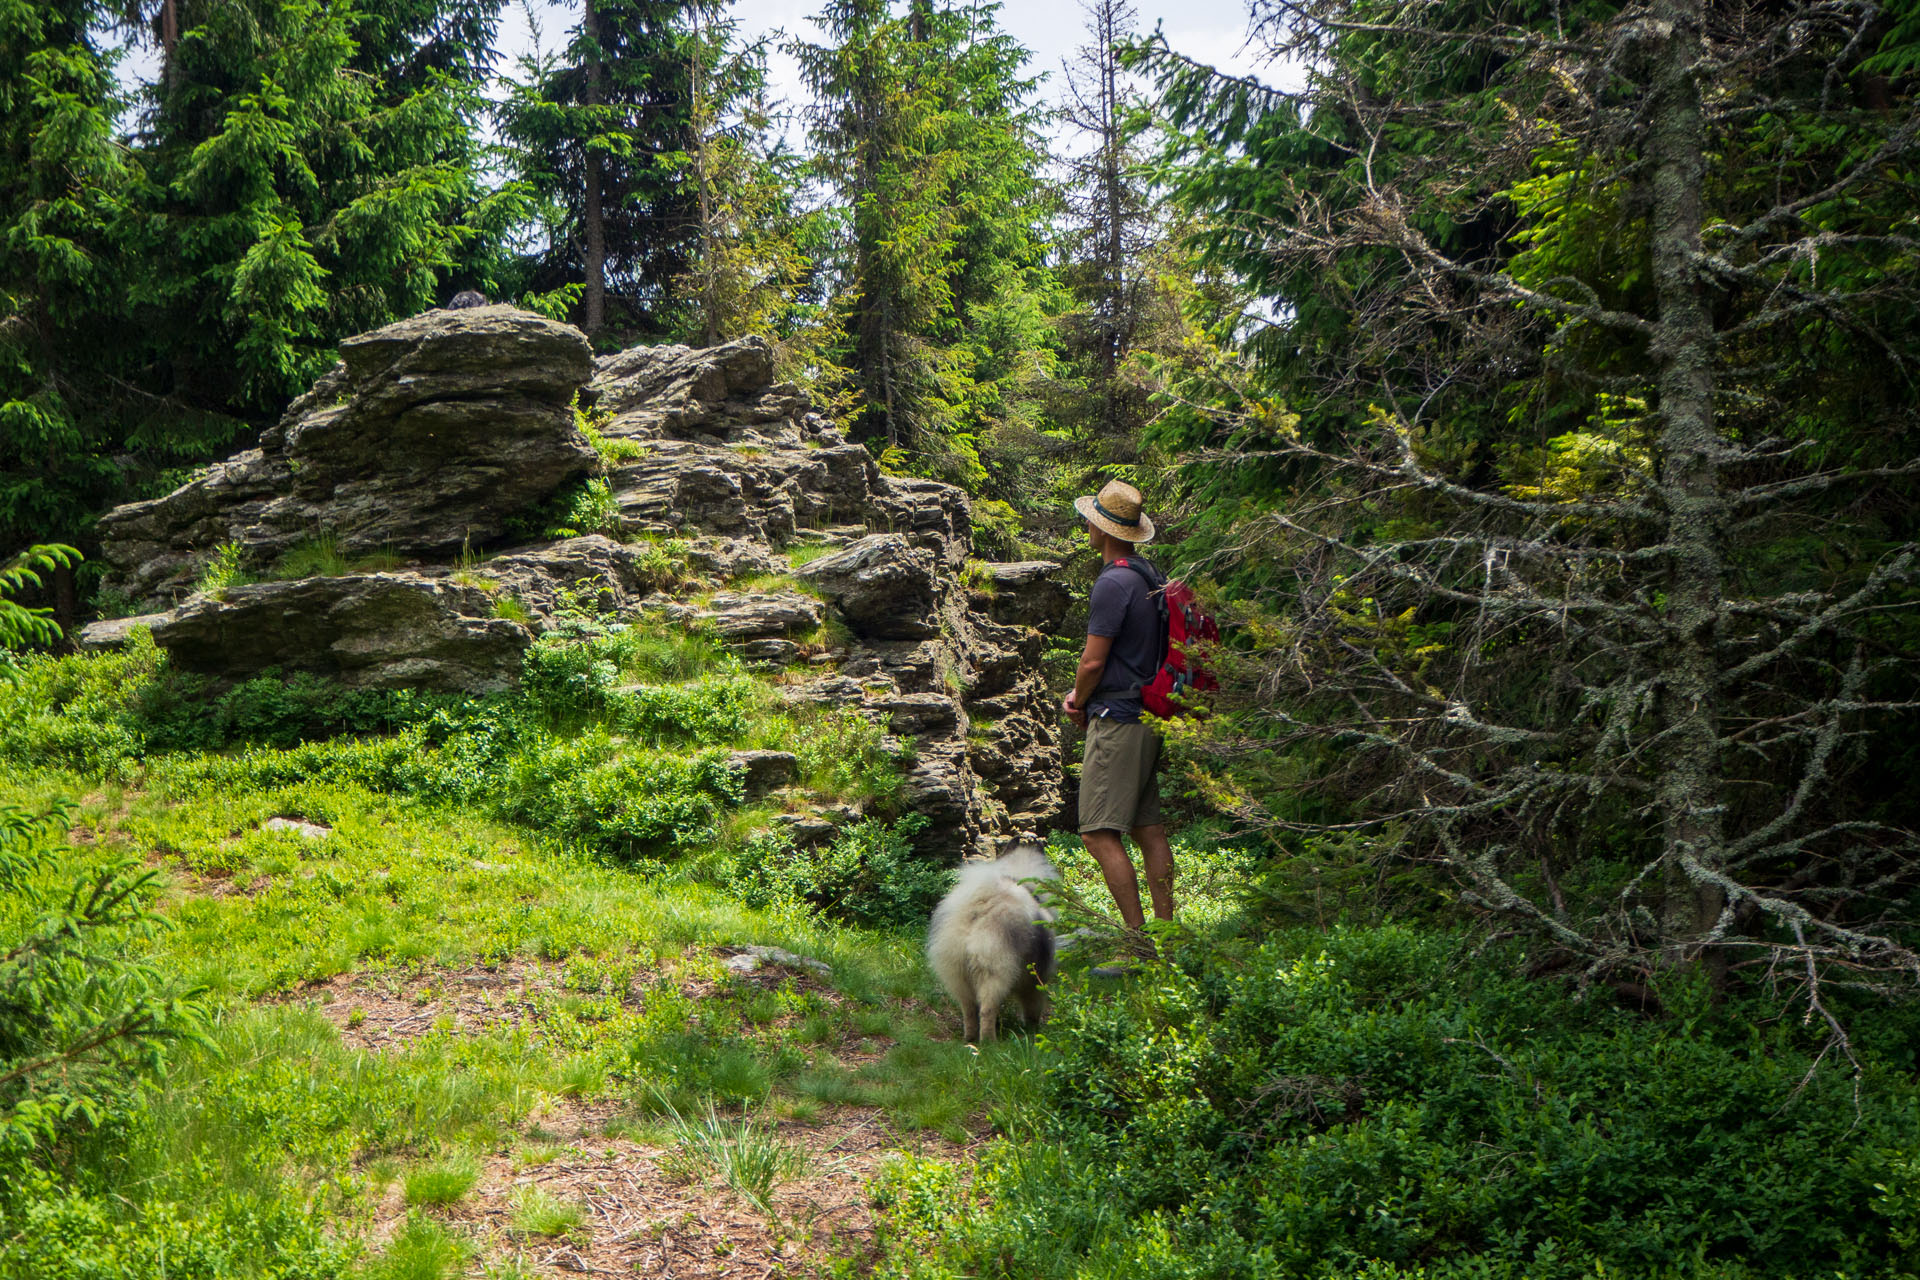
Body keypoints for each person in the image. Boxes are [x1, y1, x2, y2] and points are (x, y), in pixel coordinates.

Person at [1061, 479, 1174, 968]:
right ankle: (1171, 937)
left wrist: (1076, 700)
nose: (1086, 526)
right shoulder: (1149, 574)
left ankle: (1138, 946)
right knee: (1148, 827)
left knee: (1098, 832)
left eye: (1090, 519)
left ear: (1100, 528)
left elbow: (1091, 663)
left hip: (1119, 718)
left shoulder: (1112, 582)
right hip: (1151, 714)